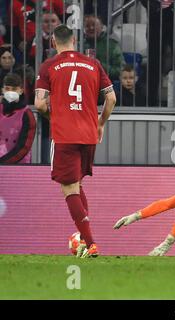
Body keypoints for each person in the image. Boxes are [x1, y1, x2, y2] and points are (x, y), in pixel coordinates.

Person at [34, 24, 117, 258]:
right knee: (78, 185)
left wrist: (56, 116)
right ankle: (81, 239)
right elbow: (111, 98)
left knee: (69, 188)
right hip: (89, 135)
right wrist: (100, 123)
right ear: (74, 42)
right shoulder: (92, 63)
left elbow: (40, 104)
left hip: (65, 135)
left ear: (53, 42)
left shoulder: (49, 65)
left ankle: (90, 243)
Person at [0, 73, 36, 163]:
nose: (10, 92)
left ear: (21, 91)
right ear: (2, 90)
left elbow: (24, 147)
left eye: (14, 89)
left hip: (20, 166)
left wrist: (3, 163)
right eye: (7, 89)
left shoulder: (27, 114)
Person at [83, 15, 124, 81]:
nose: (91, 28)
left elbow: (121, 70)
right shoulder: (80, 45)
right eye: (87, 26)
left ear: (102, 27)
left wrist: (100, 65)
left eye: (94, 25)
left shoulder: (112, 45)